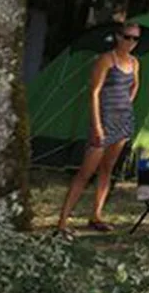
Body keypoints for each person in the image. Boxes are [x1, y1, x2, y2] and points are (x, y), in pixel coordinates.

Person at [56, 23, 141, 234]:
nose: (131, 42)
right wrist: (97, 126)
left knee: (107, 170)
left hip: (123, 121)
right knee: (85, 173)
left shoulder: (134, 62)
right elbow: (94, 93)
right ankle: (62, 223)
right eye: (127, 37)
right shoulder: (106, 60)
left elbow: (135, 84)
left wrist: (127, 103)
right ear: (117, 37)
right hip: (103, 121)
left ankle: (96, 216)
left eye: (135, 39)